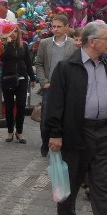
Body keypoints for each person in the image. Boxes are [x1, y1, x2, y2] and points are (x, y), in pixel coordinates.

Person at [45, 21, 107, 215]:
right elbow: (56, 103)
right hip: (76, 131)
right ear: (93, 42)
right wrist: (56, 134)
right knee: (72, 178)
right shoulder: (66, 67)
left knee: (102, 183)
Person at [34, 14, 75, 156]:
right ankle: (45, 142)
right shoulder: (45, 43)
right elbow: (38, 64)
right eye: (54, 26)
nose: (55, 29)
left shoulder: (72, 44)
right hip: (49, 87)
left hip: (66, 87)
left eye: (59, 27)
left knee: (65, 116)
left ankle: (62, 143)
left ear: (66, 27)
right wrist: (43, 81)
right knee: (46, 117)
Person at [0, 26, 36, 144]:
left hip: (22, 79)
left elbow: (28, 62)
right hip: (8, 79)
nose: (13, 34)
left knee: (21, 106)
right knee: (9, 106)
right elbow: (2, 59)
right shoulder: (3, 46)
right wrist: (8, 45)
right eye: (11, 32)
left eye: (15, 31)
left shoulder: (24, 46)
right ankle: (10, 131)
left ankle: (19, 131)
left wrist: (33, 77)